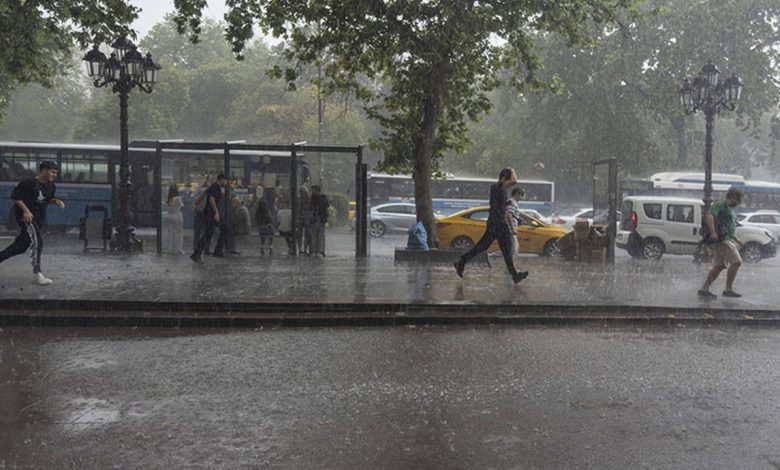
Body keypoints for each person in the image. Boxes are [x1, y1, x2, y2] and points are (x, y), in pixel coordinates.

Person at [454, 168, 528, 284]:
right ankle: (461, 261)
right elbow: (514, 181)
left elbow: (499, 206)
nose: (509, 183)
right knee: (495, 247)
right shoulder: (498, 186)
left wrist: (511, 212)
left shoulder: (499, 189)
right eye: (507, 179)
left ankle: (514, 274)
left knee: (502, 249)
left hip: (497, 222)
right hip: (497, 223)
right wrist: (511, 169)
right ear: (504, 178)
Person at [0, 161, 65, 285]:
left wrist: (55, 201)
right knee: (37, 242)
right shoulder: (28, 183)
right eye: (53, 172)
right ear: (44, 171)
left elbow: (45, 199)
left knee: (20, 247)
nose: (55, 175)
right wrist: (26, 211)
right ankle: (37, 274)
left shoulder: (51, 186)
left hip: (39, 219)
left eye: (56, 173)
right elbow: (16, 197)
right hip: (27, 219)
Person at [698, 187, 744, 299]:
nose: (738, 203)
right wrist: (713, 232)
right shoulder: (720, 204)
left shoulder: (729, 209)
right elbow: (709, 216)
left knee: (719, 266)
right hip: (722, 240)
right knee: (737, 262)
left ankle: (704, 289)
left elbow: (726, 225)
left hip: (725, 238)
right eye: (737, 200)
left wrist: (736, 238)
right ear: (732, 197)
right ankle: (728, 289)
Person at [191, 174, 228, 263]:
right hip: (211, 214)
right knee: (211, 233)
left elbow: (204, 195)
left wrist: (195, 204)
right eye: (225, 180)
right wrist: (216, 213)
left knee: (214, 232)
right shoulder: (216, 187)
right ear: (221, 179)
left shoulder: (213, 186)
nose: (225, 183)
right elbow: (211, 199)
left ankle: (214, 251)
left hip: (209, 214)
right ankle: (198, 254)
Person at [309, 185, 330, 257]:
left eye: (313, 190)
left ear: (317, 190)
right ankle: (319, 251)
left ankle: (314, 251)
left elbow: (312, 208)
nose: (312, 192)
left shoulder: (313, 198)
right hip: (321, 219)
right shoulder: (323, 198)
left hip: (317, 219)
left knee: (315, 235)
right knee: (319, 235)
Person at [255, 186, 275, 255]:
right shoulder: (267, 211)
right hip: (267, 227)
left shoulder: (258, 211)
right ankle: (270, 247)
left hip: (261, 228)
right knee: (271, 233)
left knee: (262, 238)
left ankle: (262, 247)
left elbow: (256, 219)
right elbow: (270, 219)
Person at [505, 188, 524, 257]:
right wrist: (513, 228)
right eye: (521, 195)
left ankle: (491, 255)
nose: (521, 198)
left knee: (511, 249)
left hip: (510, 228)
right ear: (517, 194)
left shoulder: (512, 202)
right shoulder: (512, 202)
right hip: (510, 229)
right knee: (514, 249)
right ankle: (510, 267)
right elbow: (508, 215)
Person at [166, 184, 184, 254]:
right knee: (179, 233)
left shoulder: (169, 198)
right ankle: (178, 249)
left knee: (170, 233)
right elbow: (181, 205)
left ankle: (169, 249)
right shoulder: (178, 198)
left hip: (170, 215)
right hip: (177, 215)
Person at [296, 186, 311, 255]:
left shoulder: (309, 200)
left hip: (306, 218)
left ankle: (305, 249)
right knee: (299, 234)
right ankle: (300, 249)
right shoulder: (298, 200)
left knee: (307, 234)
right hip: (300, 218)